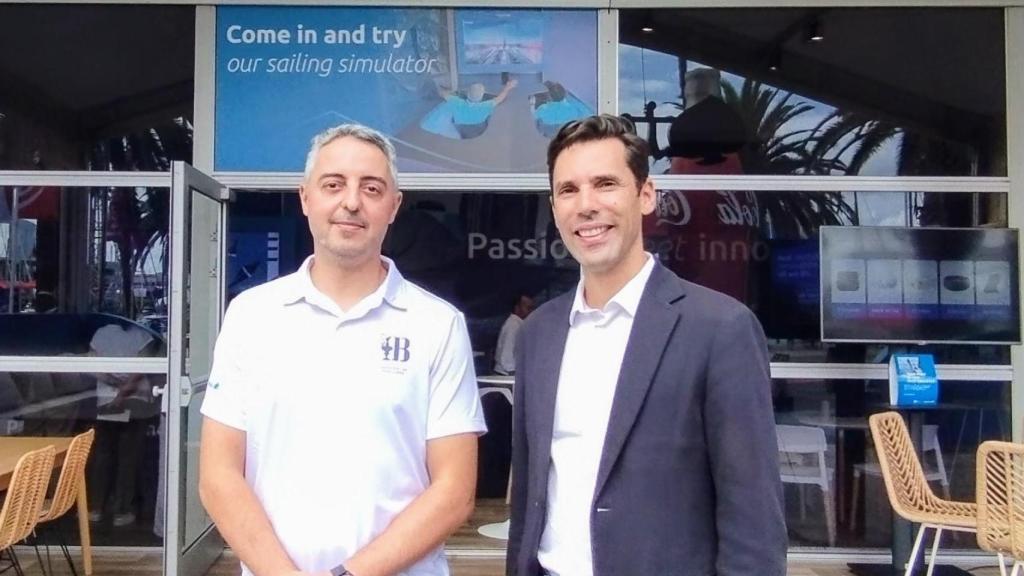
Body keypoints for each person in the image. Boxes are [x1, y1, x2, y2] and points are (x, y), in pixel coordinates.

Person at [199, 124, 486, 576]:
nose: (351, 201)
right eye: (333, 185)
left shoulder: (438, 325)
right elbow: (218, 475)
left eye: (371, 188)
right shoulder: (251, 317)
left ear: (394, 207)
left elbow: (454, 490)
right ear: (305, 198)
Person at [506, 115, 786, 576]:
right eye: (569, 190)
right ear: (554, 206)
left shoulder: (720, 329)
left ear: (646, 195)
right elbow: (532, 495)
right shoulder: (539, 333)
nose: (587, 205)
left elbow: (753, 518)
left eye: (606, 184)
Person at [493, 293, 534, 375]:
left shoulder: (520, 325)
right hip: (505, 377)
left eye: (532, 308)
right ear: (517, 308)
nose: (531, 311)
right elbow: (507, 356)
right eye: (528, 308)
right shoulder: (513, 326)